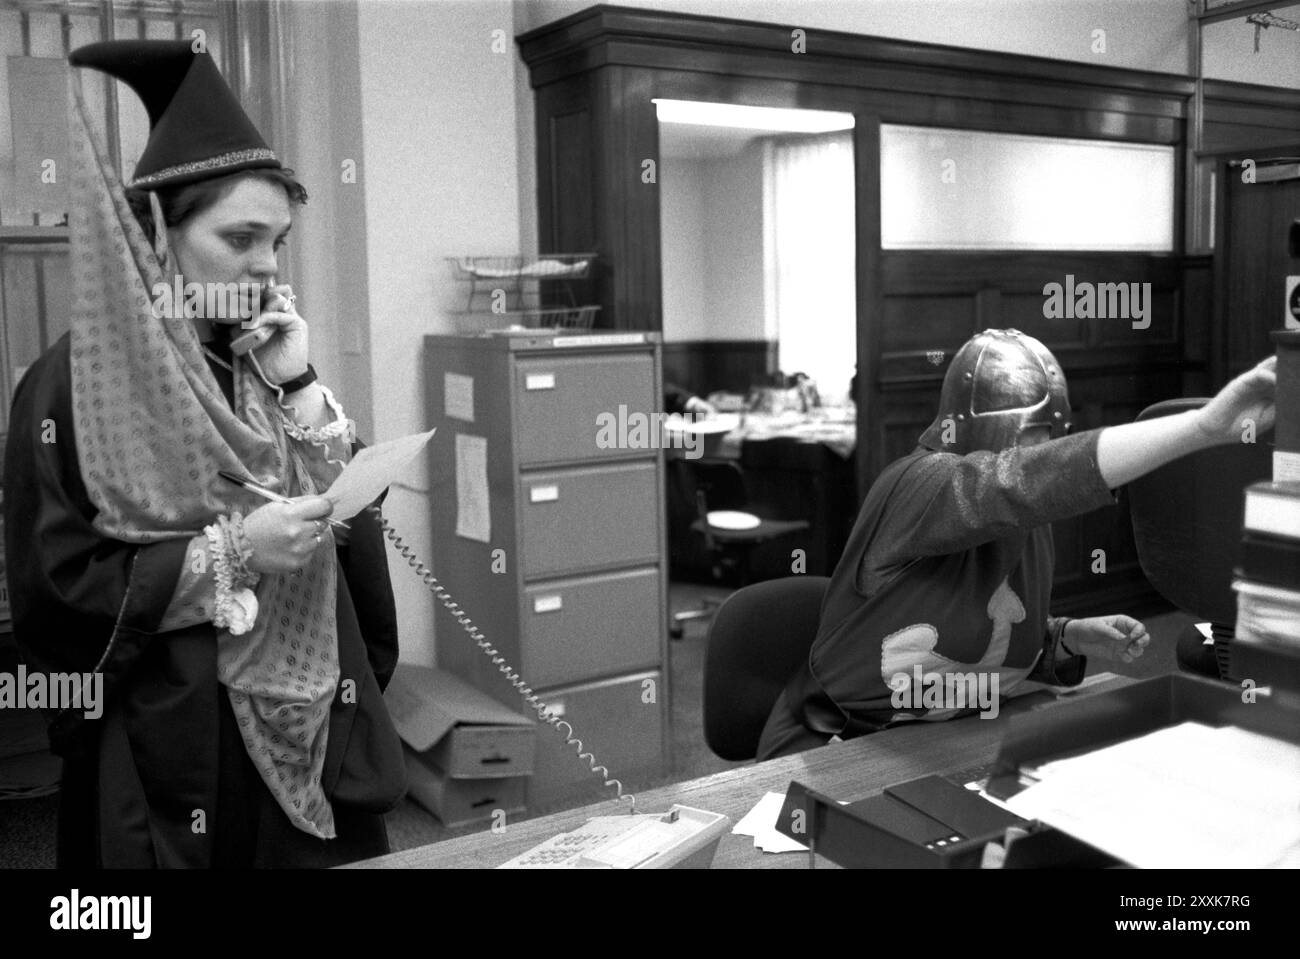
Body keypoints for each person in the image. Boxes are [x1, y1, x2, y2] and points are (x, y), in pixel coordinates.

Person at [3, 40, 405, 867]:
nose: (264, 268)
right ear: (159, 234)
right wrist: (229, 555)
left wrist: (302, 388)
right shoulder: (66, 388)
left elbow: (350, 515)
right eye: (241, 239)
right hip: (174, 739)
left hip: (308, 711)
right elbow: (55, 600)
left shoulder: (263, 358)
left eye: (278, 242)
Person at [757, 328, 1277, 760]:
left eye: (1053, 435)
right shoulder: (919, 486)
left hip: (942, 741)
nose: (1043, 452)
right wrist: (1201, 429)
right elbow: (1016, 483)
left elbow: (973, 640)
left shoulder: (1026, 517)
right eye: (1031, 435)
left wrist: (1065, 638)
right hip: (829, 747)